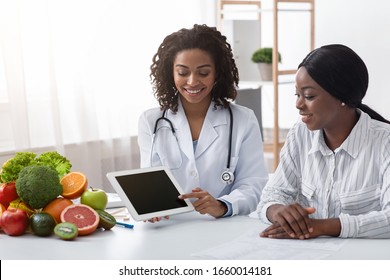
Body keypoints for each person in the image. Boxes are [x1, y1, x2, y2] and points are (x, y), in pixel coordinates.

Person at [257, 44, 390, 239]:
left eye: (309, 96)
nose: (298, 105)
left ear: (342, 97)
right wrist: (277, 211)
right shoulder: (300, 134)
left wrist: (320, 227)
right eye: (297, 94)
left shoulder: (385, 143)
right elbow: (272, 194)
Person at [138, 24, 268, 222]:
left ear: (218, 73)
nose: (192, 82)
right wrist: (149, 204)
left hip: (222, 226)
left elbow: (254, 186)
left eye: (203, 73)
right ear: (170, 73)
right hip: (170, 227)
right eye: (183, 73)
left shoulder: (243, 120)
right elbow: (148, 182)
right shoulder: (151, 121)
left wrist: (223, 205)